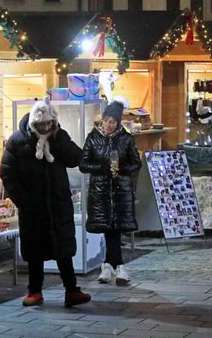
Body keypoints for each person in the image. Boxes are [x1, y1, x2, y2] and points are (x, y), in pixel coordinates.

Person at [0, 96, 91, 307]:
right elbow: (7, 174)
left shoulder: (59, 137)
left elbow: (75, 158)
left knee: (64, 248)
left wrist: (58, 140)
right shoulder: (17, 141)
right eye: (42, 124)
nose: (46, 127)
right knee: (34, 251)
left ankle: (72, 289)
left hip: (58, 203)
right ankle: (35, 291)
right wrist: (23, 201)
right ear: (34, 123)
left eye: (50, 123)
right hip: (33, 206)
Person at [80, 101, 142, 286]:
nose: (109, 125)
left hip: (121, 189)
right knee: (109, 227)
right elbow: (83, 164)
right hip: (100, 191)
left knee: (116, 227)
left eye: (113, 122)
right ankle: (118, 266)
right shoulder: (93, 138)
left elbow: (136, 162)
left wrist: (122, 169)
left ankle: (109, 265)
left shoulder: (126, 139)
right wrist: (102, 168)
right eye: (106, 121)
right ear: (102, 120)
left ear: (118, 123)